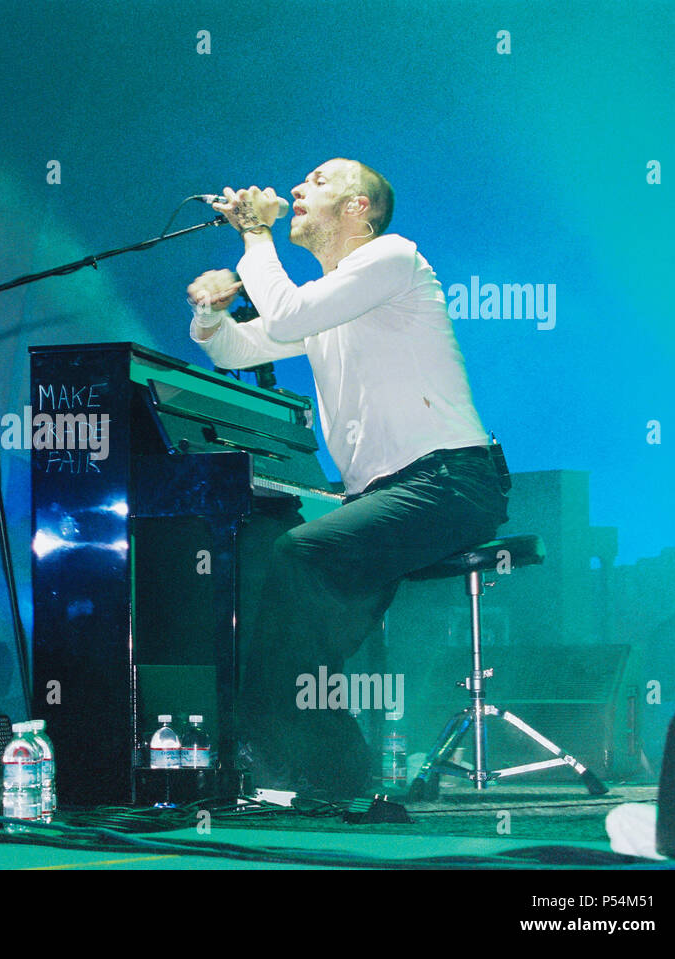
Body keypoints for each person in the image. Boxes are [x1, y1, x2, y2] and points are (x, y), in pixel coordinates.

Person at [187, 158, 508, 797]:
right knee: (312, 651)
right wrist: (210, 313)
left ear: (359, 210)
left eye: (320, 181)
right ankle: (335, 784)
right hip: (390, 495)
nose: (298, 188)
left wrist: (255, 236)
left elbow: (282, 316)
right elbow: (237, 349)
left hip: (449, 483)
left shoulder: (393, 258)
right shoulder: (327, 304)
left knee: (302, 551)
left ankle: (321, 771)